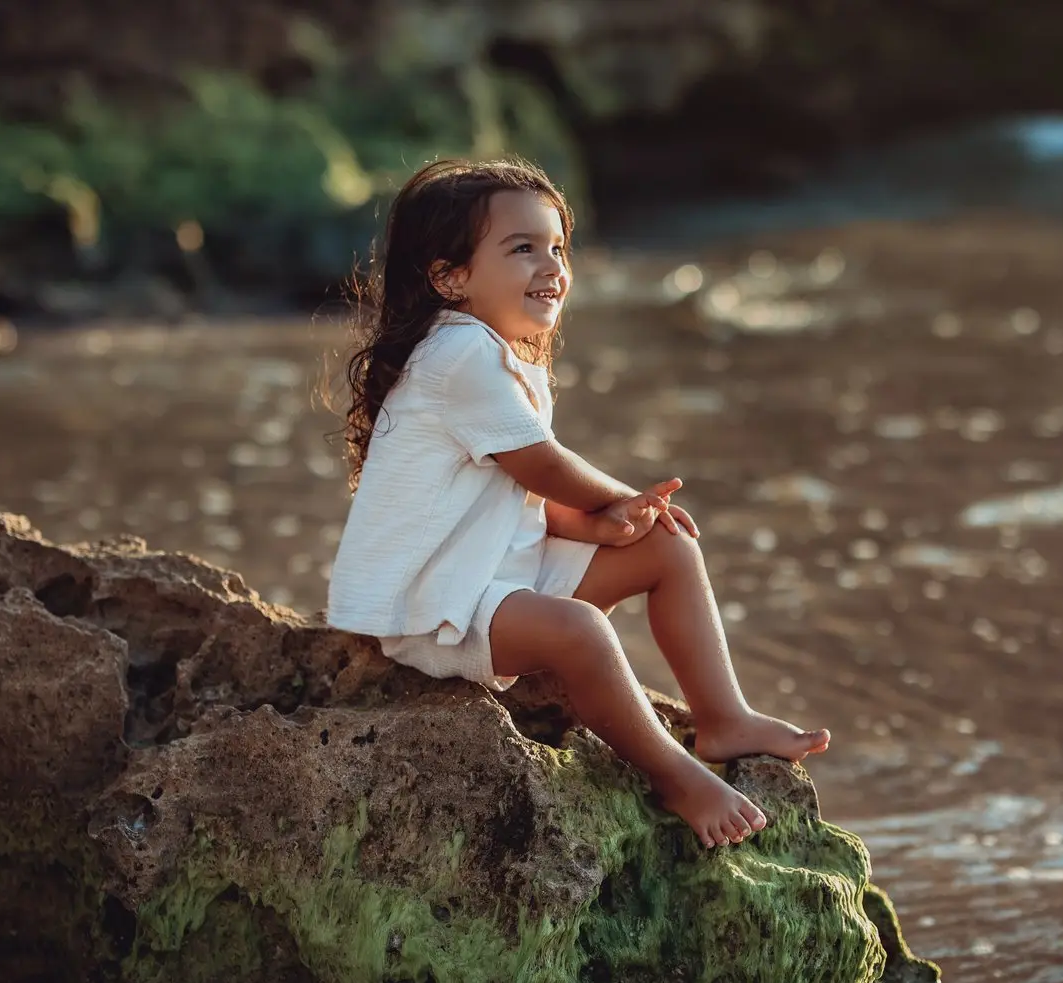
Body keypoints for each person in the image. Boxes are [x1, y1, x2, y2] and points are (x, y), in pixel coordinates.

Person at [326, 158, 829, 850]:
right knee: (582, 631)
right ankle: (675, 776)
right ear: (450, 277)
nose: (552, 267)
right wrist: (619, 496)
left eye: (558, 248)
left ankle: (724, 716)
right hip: (436, 605)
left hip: (495, 574)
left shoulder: (497, 356)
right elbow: (539, 463)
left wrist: (594, 526)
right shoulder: (458, 353)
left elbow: (516, 492)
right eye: (522, 248)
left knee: (668, 547)